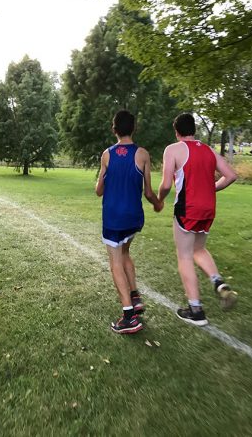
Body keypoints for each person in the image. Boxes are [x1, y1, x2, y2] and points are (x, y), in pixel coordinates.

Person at [158, 113, 238, 326]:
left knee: (184, 256)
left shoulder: (173, 149)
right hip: (208, 208)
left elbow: (166, 184)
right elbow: (231, 175)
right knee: (198, 250)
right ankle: (218, 282)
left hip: (187, 208)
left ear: (176, 132)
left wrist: (159, 199)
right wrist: (211, 188)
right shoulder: (208, 150)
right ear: (194, 130)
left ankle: (196, 311)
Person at [96, 110, 163, 334]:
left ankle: (129, 316)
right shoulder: (143, 154)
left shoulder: (107, 155)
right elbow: (148, 192)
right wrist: (158, 204)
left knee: (115, 261)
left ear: (114, 129)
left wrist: (106, 180)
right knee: (125, 253)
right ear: (134, 128)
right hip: (134, 218)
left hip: (114, 218)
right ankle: (135, 297)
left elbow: (99, 190)